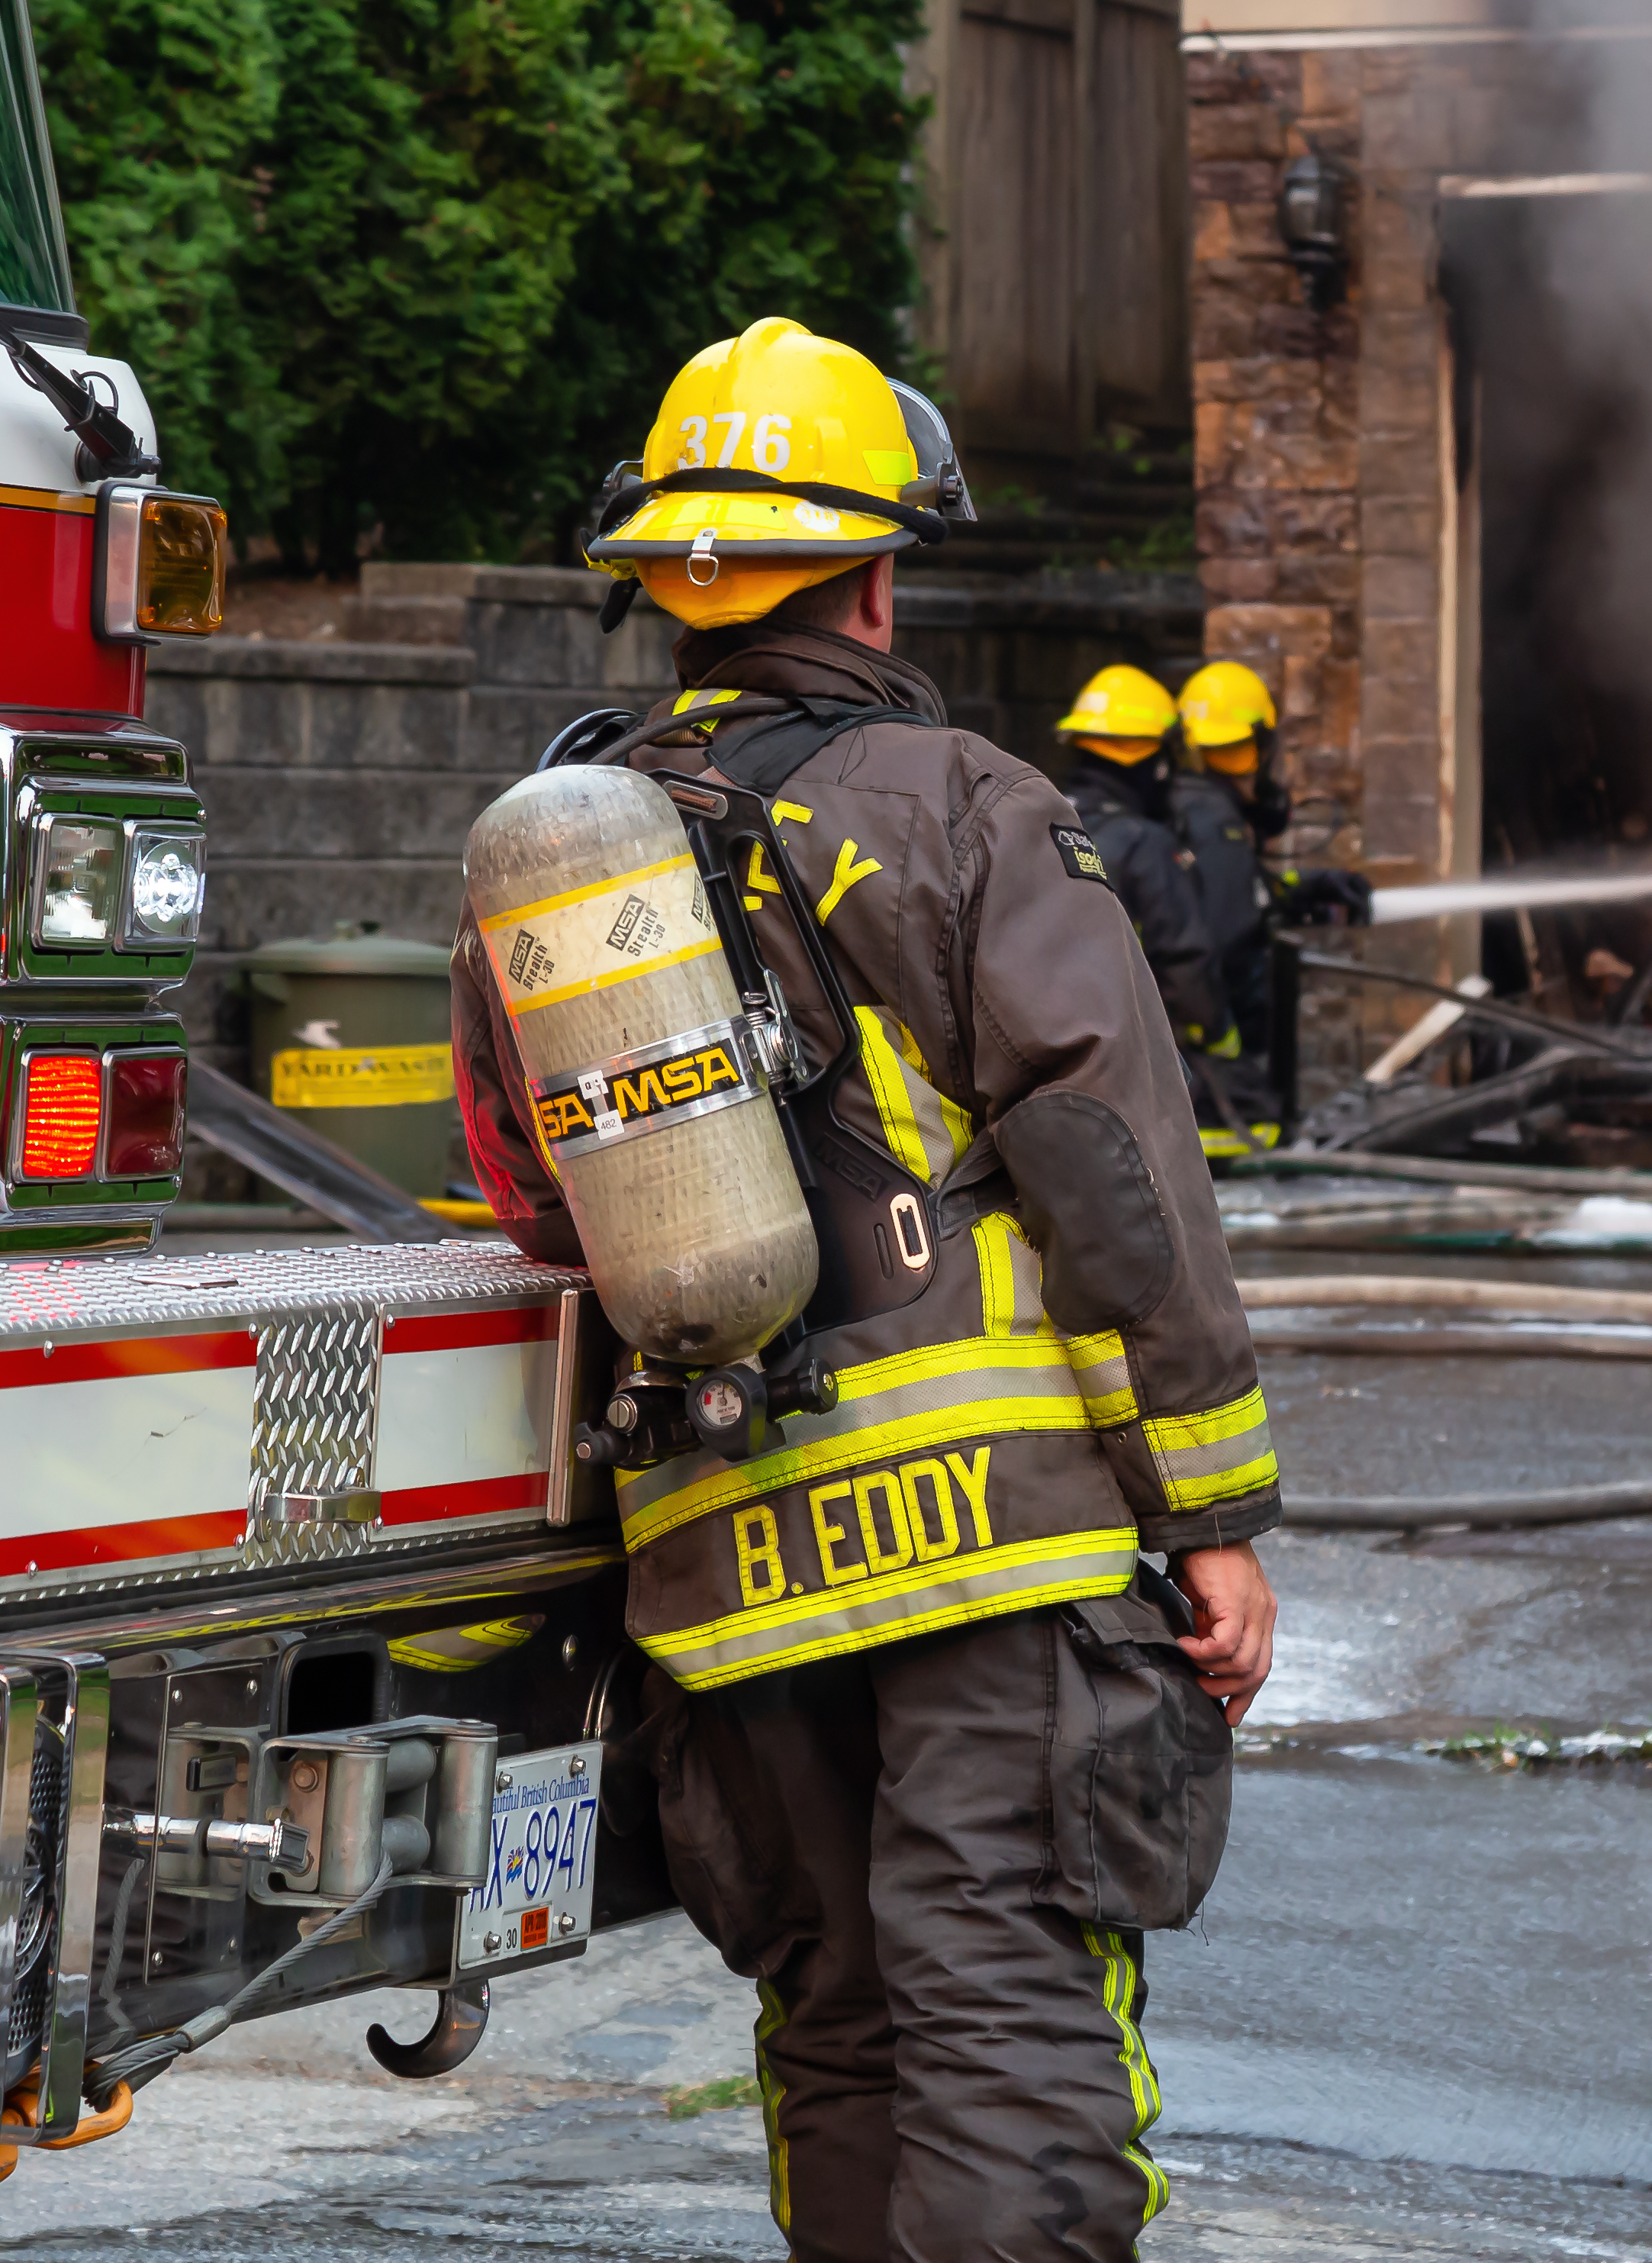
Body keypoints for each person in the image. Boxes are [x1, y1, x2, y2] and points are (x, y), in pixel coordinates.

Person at [446, 318, 1283, 2263]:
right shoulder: (965, 805)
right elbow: (1112, 1168)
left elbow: (539, 1203)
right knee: (1006, 2015)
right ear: (877, 575)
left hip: (722, 1562)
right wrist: (1214, 1511)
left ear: (671, 583)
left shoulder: (553, 870)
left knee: (839, 2029)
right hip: (994, 1548)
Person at [1167, 659, 1373, 1147]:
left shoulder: (1190, 810)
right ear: (1256, 747)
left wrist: (1303, 890)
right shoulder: (1215, 823)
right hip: (1214, 1080)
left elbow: (1234, 894)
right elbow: (1231, 935)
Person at [1050, 662, 1238, 1121]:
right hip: (1127, 1070)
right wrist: (1219, 1035)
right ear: (1154, 762)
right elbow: (1183, 959)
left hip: (1042, 1058)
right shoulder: (1144, 844)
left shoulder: (1035, 822)